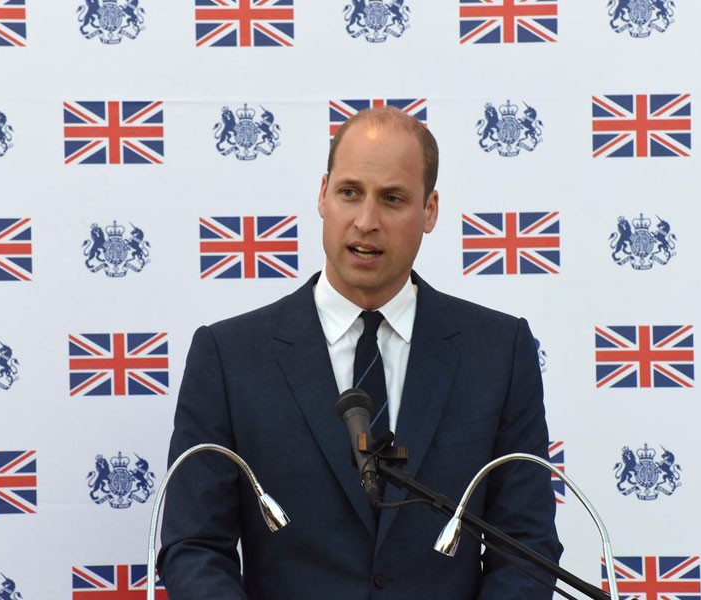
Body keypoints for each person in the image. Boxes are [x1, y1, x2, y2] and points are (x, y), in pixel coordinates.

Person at [158, 107, 562, 599]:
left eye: (392, 199)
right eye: (350, 193)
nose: (366, 221)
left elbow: (525, 549)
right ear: (322, 195)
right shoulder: (228, 357)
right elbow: (194, 547)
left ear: (429, 210)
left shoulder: (499, 353)